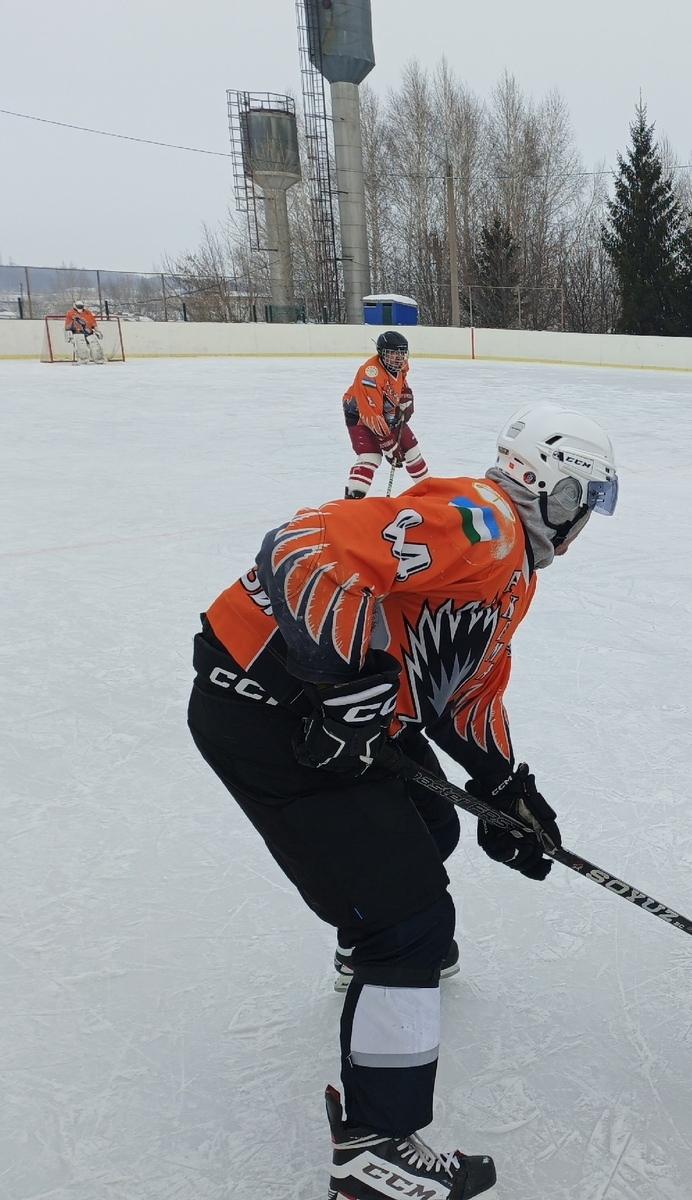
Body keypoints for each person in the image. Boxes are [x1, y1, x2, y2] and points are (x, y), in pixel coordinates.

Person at [187, 403, 618, 1199]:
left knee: (429, 825)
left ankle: (371, 955)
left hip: (311, 714)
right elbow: (304, 548)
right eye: (585, 503)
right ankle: (375, 1149)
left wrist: (507, 790)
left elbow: (463, 693)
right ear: (556, 493)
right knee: (410, 920)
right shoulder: (485, 523)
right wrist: (339, 686)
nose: (585, 523)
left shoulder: (509, 570)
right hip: (269, 710)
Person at [344, 331, 429, 498]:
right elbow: (371, 414)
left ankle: (429, 490)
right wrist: (389, 445)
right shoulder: (370, 374)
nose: (398, 358)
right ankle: (354, 497)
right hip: (359, 413)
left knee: (412, 450)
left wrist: (405, 393)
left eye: (402, 353)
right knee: (371, 456)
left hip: (387, 411)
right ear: (381, 353)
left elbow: (401, 379)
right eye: (392, 353)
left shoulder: (401, 364)